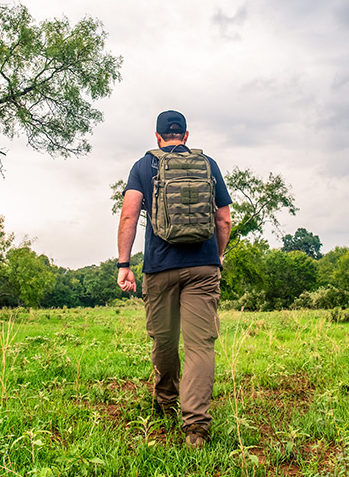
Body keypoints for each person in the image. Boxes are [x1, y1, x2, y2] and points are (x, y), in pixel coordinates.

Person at [117, 110, 232, 448]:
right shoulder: (208, 164)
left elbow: (128, 214)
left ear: (157, 136)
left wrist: (124, 263)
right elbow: (223, 219)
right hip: (203, 267)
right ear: (186, 135)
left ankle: (166, 399)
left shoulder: (144, 166)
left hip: (160, 267)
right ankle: (196, 428)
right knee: (200, 346)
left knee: (164, 340)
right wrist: (217, 256)